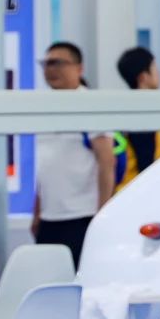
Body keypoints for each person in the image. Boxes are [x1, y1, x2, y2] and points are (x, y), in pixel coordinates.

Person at [34, 42, 113, 268]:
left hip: (82, 216)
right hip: (49, 218)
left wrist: (101, 217)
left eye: (58, 63)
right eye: (46, 64)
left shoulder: (90, 105)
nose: (50, 69)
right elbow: (44, 166)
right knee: (48, 278)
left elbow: (107, 162)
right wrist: (37, 212)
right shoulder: (43, 107)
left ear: (79, 68)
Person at [115, 46, 160, 190]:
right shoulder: (141, 111)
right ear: (143, 76)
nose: (159, 73)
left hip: (129, 189)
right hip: (137, 190)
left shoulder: (129, 106)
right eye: (155, 68)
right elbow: (146, 163)